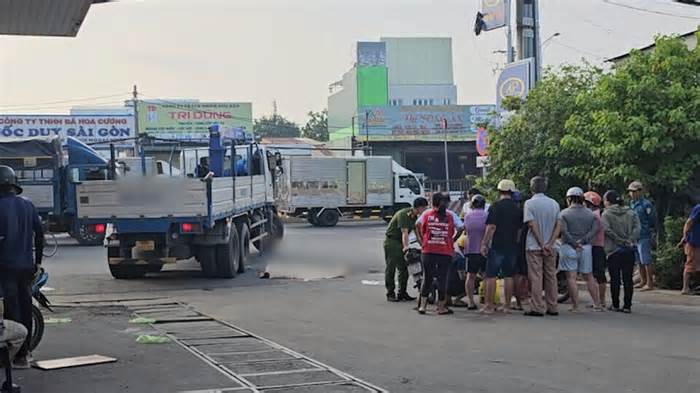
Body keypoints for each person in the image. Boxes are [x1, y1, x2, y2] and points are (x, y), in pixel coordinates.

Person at [0, 165, 44, 368]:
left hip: (6, 267)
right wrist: (38, 262)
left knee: (11, 310)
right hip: (27, 267)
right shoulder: (28, 205)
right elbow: (40, 235)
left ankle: (11, 356)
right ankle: (24, 355)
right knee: (25, 307)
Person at [416, 192, 463, 315]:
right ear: (446, 203)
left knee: (427, 278)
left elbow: (417, 225)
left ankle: (423, 307)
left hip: (428, 250)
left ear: (433, 202)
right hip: (444, 251)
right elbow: (462, 228)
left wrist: (422, 241)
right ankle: (441, 308)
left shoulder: (427, 213)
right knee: (442, 279)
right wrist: (452, 240)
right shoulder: (451, 215)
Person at [480, 179, 522, 314]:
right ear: (512, 192)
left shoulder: (495, 206)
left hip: (497, 245)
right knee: (508, 275)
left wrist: (484, 243)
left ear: (499, 191)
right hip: (512, 246)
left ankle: (489, 305)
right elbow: (520, 230)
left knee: (491, 275)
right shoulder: (517, 209)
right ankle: (507, 306)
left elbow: (491, 227)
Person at [558, 187, 602, 312]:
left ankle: (575, 306)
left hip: (568, 247)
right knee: (589, 276)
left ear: (569, 199)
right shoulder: (590, 214)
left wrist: (573, 243)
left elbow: (564, 231)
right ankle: (597, 304)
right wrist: (582, 241)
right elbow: (595, 230)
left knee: (571, 277)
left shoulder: (564, 213)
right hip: (586, 247)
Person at [522, 176, 561, 317]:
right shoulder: (554, 204)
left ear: (531, 188)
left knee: (536, 276)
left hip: (534, 246)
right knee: (551, 276)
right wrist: (550, 243)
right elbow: (558, 225)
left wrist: (541, 243)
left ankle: (537, 307)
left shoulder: (529, 204)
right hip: (551, 246)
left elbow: (531, 224)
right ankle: (553, 306)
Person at [383, 197, 429, 302]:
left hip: (400, 242)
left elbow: (418, 235)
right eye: (424, 208)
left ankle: (402, 293)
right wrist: (406, 247)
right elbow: (404, 233)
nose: (425, 210)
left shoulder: (414, 217)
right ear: (419, 207)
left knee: (404, 269)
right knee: (391, 268)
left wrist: (424, 247)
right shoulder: (404, 214)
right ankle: (390, 293)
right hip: (392, 241)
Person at [602, 190, 640, 313]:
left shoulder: (606, 214)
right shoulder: (631, 212)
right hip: (629, 249)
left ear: (608, 201)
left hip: (613, 250)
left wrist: (619, 240)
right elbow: (638, 228)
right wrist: (629, 240)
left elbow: (606, 230)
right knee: (628, 278)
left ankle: (615, 304)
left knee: (615, 279)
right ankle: (627, 306)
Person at [628, 181, 657, 290]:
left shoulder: (646, 204)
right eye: (631, 191)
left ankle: (650, 283)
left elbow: (652, 219)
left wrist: (650, 230)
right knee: (639, 260)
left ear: (640, 191)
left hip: (644, 234)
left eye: (634, 191)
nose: (632, 193)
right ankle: (642, 280)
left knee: (646, 259)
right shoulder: (631, 204)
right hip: (634, 235)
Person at [463, 195, 488, 310]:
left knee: (470, 276)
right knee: (486, 276)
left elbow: (465, 231)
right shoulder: (487, 216)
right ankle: (488, 302)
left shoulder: (467, 216)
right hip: (485, 250)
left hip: (471, 249)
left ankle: (471, 302)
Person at [584, 191, 608, 308]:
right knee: (595, 274)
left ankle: (601, 301)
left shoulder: (594, 216)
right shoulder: (598, 214)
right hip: (598, 246)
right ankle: (598, 300)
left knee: (598, 274)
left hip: (596, 247)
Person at [679, 203, 700, 295]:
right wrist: (685, 236)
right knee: (691, 264)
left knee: (696, 266)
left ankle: (694, 286)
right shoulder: (698, 208)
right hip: (694, 241)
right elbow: (689, 222)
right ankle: (685, 288)